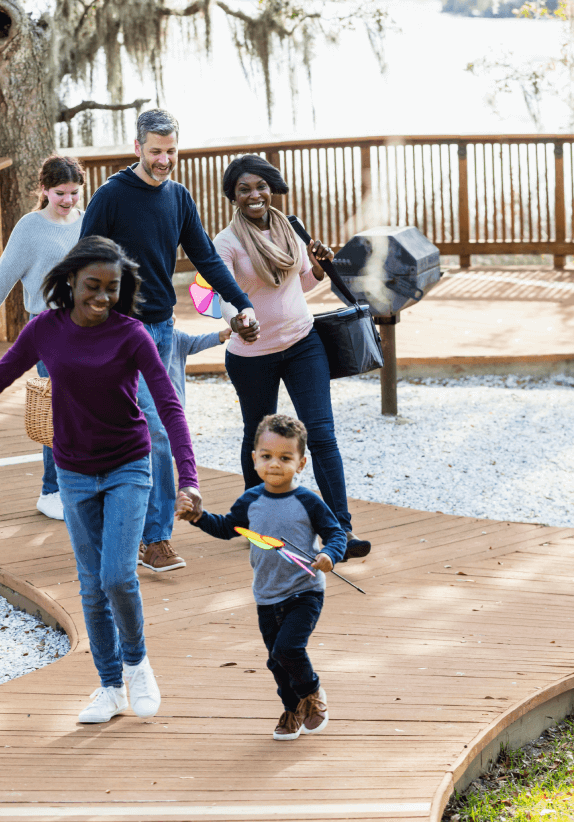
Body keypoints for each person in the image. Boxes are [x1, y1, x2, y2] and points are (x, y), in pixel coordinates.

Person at [0, 235, 203, 725]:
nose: (102, 297)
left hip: (129, 463)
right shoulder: (46, 329)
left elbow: (168, 405)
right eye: (92, 286)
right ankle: (109, 688)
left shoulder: (131, 334)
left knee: (118, 577)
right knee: (90, 585)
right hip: (74, 471)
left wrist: (187, 477)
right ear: (69, 281)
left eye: (112, 288)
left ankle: (137, 665)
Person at [80, 108, 260, 573]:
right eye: (156, 151)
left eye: (171, 151)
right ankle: (147, 534)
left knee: (158, 430)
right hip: (118, 333)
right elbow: (84, 261)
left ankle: (151, 535)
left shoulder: (178, 198)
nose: (164, 160)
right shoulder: (111, 197)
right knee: (150, 431)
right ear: (137, 147)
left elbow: (205, 256)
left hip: (161, 331)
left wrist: (241, 302)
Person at [213, 154, 371, 561]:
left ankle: (341, 530)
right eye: (244, 189)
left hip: (303, 343)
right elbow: (223, 293)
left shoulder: (290, 229)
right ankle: (255, 522)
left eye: (261, 186)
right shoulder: (226, 242)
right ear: (233, 195)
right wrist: (238, 321)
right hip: (252, 354)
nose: (255, 195)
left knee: (321, 434)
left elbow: (297, 283)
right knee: (257, 436)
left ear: (272, 189)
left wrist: (318, 268)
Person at [176, 414, 345, 740]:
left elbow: (335, 534)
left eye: (285, 458)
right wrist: (197, 517)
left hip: (305, 590)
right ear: (254, 459)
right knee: (276, 661)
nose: (275, 464)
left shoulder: (308, 501)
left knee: (289, 648)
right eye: (267, 456)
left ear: (301, 463)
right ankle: (292, 708)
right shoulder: (250, 500)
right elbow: (227, 528)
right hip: (267, 595)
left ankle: (313, 692)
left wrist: (329, 554)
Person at [0, 155, 86, 521]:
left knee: (87, 407)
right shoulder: (30, 228)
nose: (68, 200)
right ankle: (51, 490)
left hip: (89, 326)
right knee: (57, 408)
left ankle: (79, 484)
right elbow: (3, 278)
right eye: (60, 192)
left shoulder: (85, 221)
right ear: (44, 190)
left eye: (74, 192)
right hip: (50, 327)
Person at [167, 314, 231, 408]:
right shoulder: (146, 339)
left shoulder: (177, 337)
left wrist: (220, 335)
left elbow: (198, 341)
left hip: (175, 400)